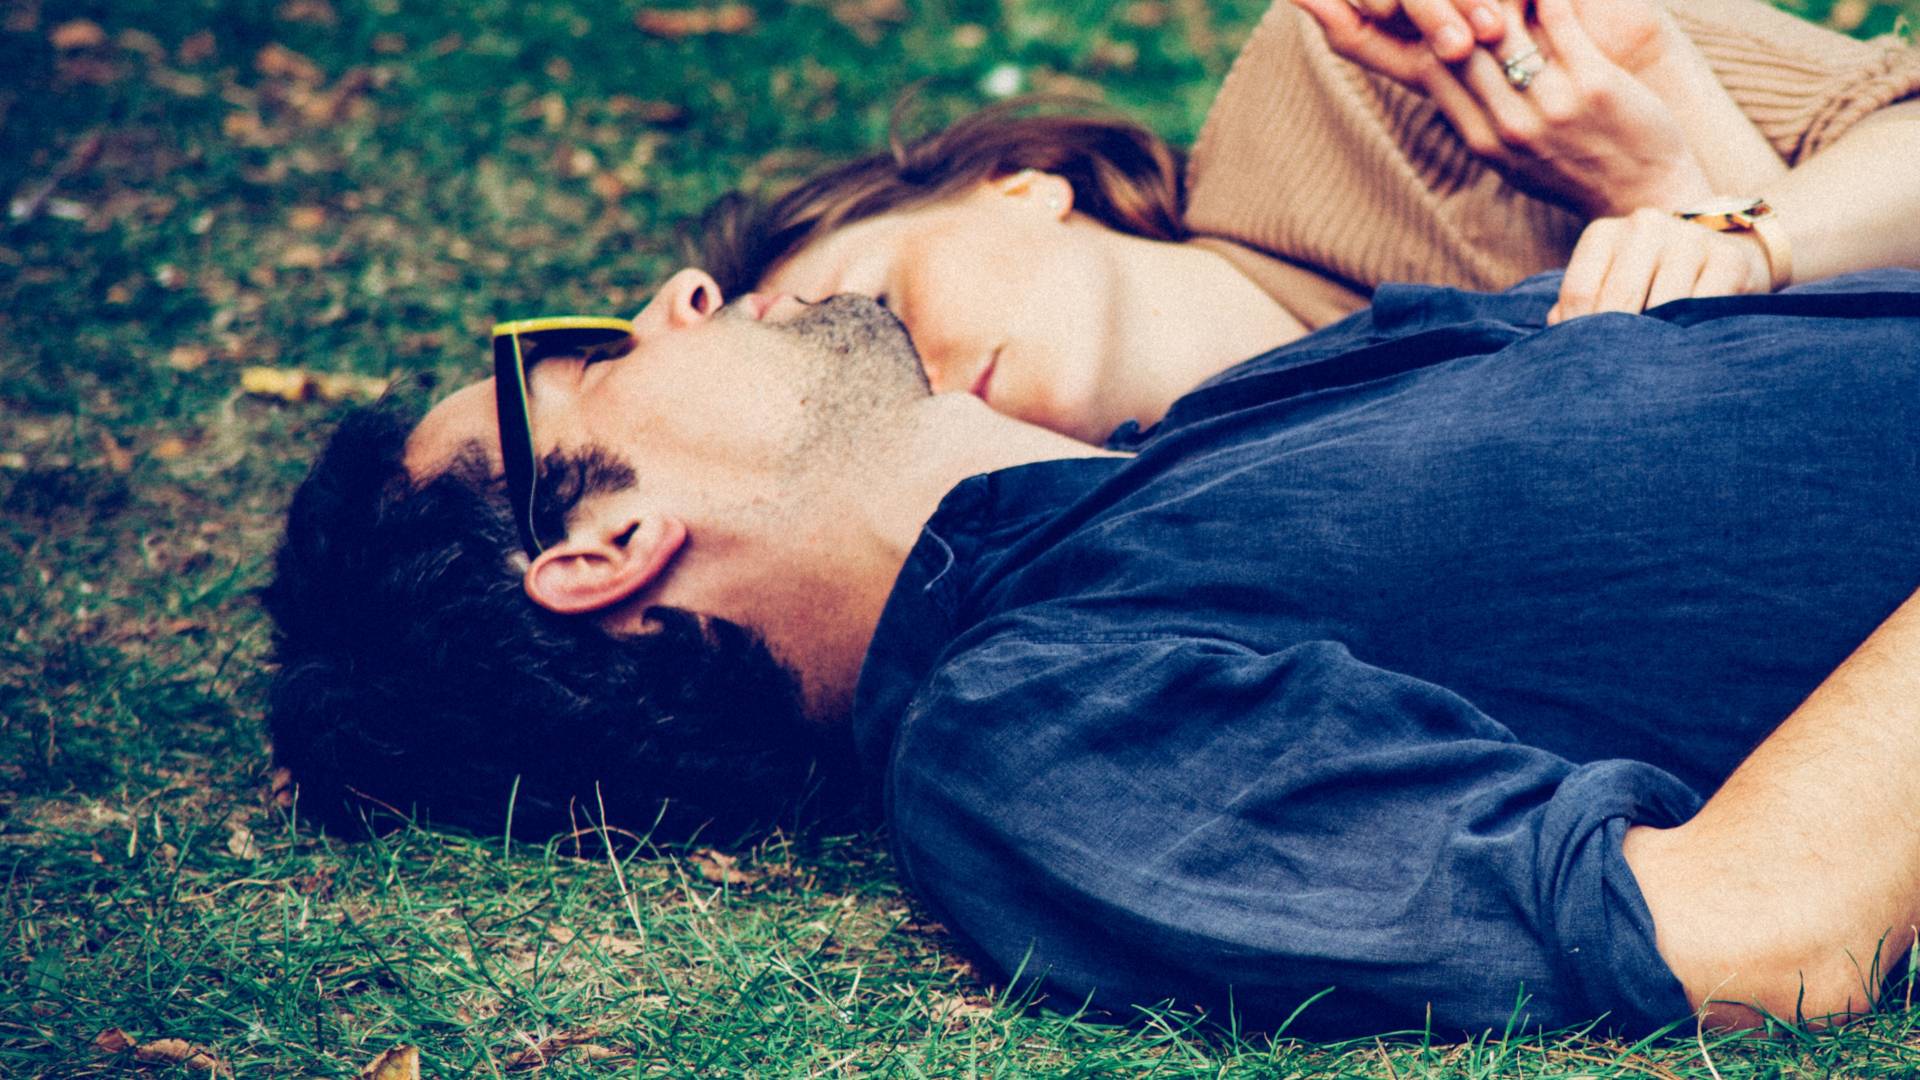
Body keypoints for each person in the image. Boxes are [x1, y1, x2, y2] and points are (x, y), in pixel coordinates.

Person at [264, 262, 1920, 1039]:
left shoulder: (1189, 441)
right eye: (576, 358)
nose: (682, 292)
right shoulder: (1028, 732)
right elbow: (1746, 940)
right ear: (596, 547)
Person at [695, 0, 1920, 444]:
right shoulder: (1214, 520)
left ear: (1018, 184)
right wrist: (1659, 195)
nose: (929, 395)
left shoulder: (1364, 74)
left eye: (883, 318)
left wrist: (1710, 187)